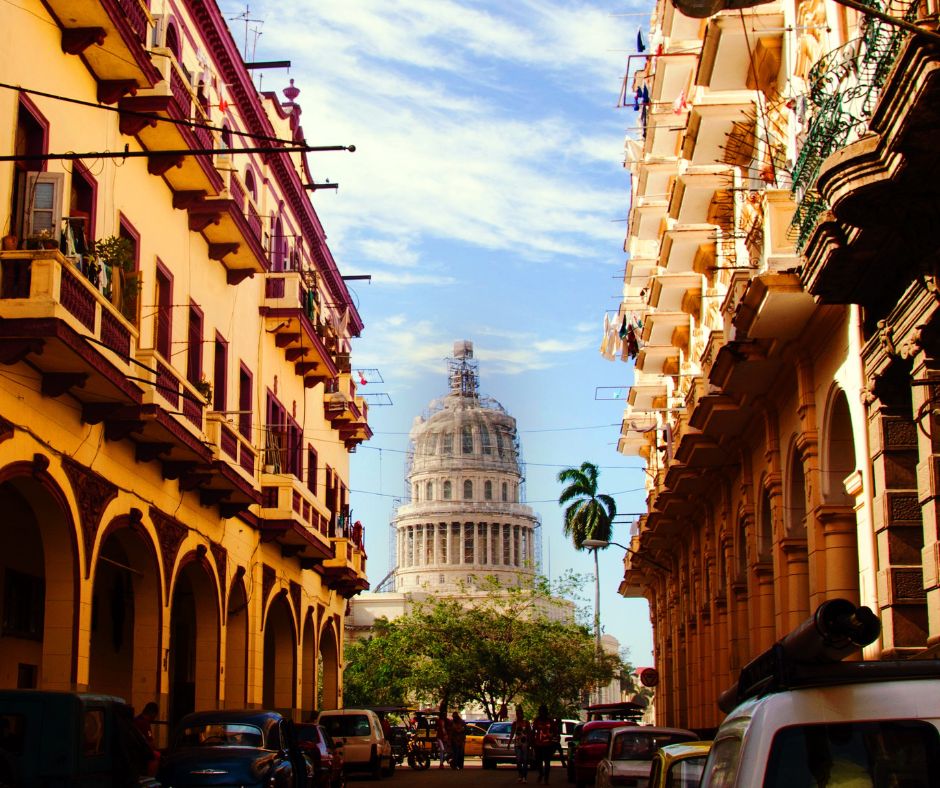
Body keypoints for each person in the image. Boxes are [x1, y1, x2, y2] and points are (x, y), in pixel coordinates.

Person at [509, 704, 532, 784]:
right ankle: (520, 775)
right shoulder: (514, 723)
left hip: (525, 743)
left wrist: (530, 743)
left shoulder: (527, 723)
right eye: (517, 714)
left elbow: (529, 733)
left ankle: (525, 777)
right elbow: (512, 733)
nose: (519, 715)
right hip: (517, 743)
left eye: (520, 714)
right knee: (519, 760)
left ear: (522, 714)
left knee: (525, 760)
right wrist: (509, 742)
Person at [532, 705, 554, 784]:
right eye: (541, 711)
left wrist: (551, 736)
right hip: (538, 744)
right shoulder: (537, 720)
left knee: (547, 762)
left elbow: (554, 730)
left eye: (544, 711)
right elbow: (533, 731)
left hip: (548, 744)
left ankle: (546, 778)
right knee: (539, 761)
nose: (542, 713)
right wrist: (533, 742)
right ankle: (541, 774)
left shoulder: (550, 721)